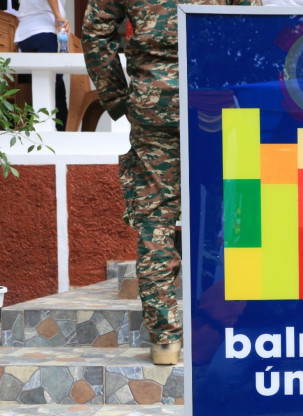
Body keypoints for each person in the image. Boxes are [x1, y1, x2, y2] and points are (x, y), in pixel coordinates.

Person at [82, 0, 259, 364]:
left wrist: (118, 99)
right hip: (215, 98)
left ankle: (165, 341)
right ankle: (241, 327)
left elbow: (96, 32)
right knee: (241, 207)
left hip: (154, 103)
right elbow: (251, 21)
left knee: (157, 222)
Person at [14, 0, 69, 131]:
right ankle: (55, 133)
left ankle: (37, 130)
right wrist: (58, 16)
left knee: (42, 85)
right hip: (45, 29)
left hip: (26, 33)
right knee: (52, 85)